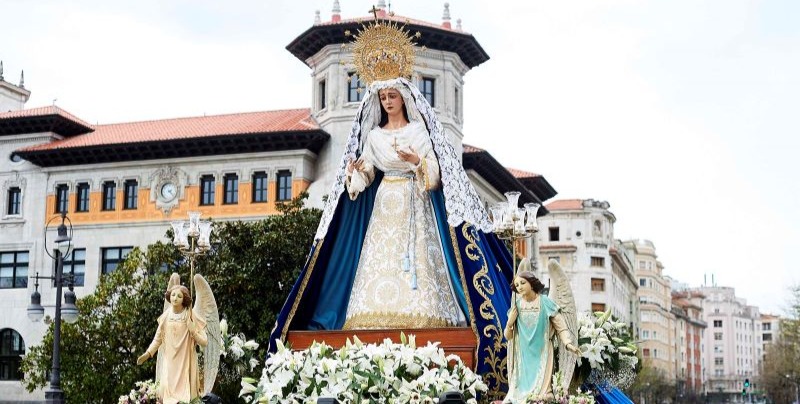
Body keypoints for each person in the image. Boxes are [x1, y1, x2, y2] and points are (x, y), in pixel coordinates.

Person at [341, 86, 464, 329]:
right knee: (383, 255)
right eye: (383, 97)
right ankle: (375, 314)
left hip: (414, 198)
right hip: (386, 200)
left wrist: (416, 161)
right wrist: (354, 172)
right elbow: (367, 172)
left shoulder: (417, 131)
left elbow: (435, 171)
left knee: (416, 252)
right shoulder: (374, 136)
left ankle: (421, 311)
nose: (387, 102)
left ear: (403, 99)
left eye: (392, 96)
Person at [503, 270, 581, 402]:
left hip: (542, 351)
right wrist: (509, 323)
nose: (519, 287)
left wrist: (568, 343)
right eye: (517, 285)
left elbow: (561, 326)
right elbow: (508, 337)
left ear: (531, 283)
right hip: (523, 354)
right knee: (518, 394)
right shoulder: (517, 306)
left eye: (522, 283)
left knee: (543, 394)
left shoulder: (545, 302)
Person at [137, 283, 208, 404]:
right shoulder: (166, 316)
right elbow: (158, 338)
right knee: (168, 397)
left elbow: (204, 342)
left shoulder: (190, 315)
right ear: (169, 296)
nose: (175, 298)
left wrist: (193, 330)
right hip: (170, 362)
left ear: (184, 299)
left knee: (185, 397)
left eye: (179, 296)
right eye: (173, 295)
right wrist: (148, 354)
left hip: (185, 361)